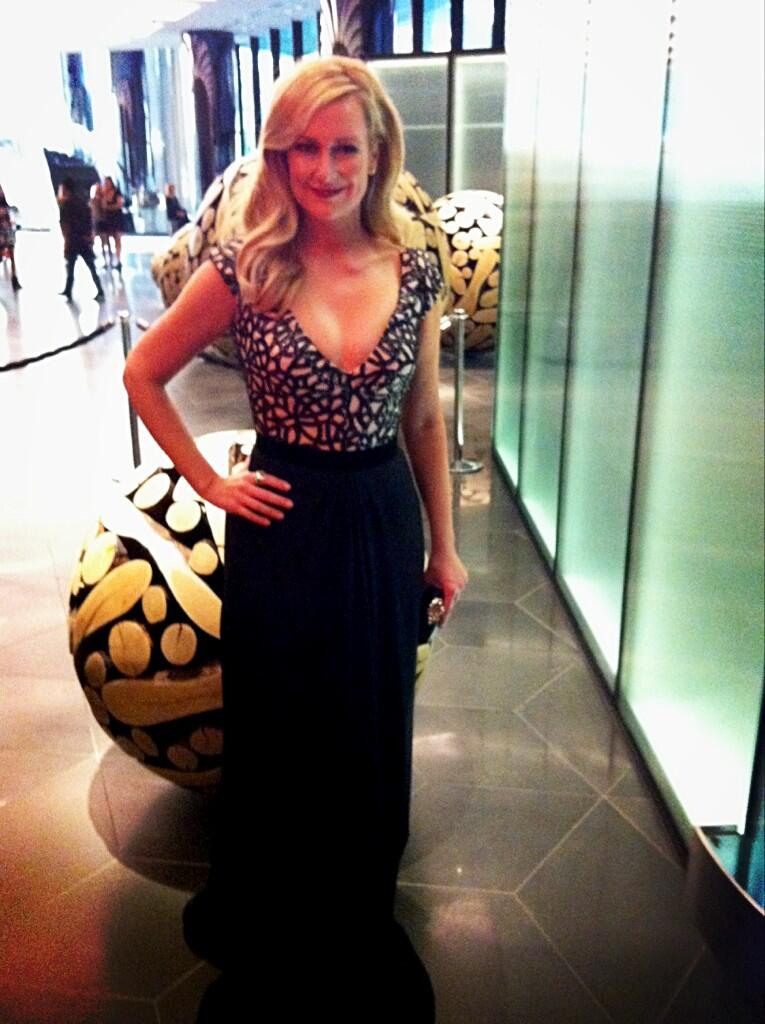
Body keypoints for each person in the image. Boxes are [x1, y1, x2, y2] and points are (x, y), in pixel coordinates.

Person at [123, 56, 467, 1022]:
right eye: (302, 148)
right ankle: (277, 920)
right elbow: (144, 371)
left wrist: (444, 547)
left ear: (378, 152)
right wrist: (208, 482)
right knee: (283, 734)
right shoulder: (246, 268)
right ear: (277, 158)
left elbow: (424, 419)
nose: (324, 169)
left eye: (344, 147)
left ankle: (355, 915)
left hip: (381, 521)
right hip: (282, 528)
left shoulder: (414, 270)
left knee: (370, 729)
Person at [57, 178, 104, 302]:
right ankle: (99, 290)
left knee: (70, 266)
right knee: (90, 266)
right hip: (83, 239)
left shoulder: (65, 205)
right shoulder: (81, 202)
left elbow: (64, 225)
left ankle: (68, 290)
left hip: (72, 239)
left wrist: (66, 239)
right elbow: (89, 218)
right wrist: (89, 234)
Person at [100, 176, 124, 271]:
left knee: (117, 240)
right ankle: (108, 260)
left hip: (116, 219)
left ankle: (118, 260)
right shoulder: (103, 193)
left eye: (108, 182)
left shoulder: (117, 192)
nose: (107, 184)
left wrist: (109, 207)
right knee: (106, 240)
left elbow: (119, 204)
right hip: (107, 219)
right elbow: (102, 205)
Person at [0, 184, 21, 290]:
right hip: (2, 231)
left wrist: (10, 211)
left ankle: (14, 279)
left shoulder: (4, 200)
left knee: (12, 254)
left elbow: (7, 207)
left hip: (8, 229)